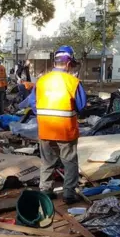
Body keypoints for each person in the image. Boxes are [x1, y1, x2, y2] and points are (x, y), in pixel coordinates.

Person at [28, 45, 86, 204]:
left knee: (47, 161)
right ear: (68, 63)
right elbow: (81, 106)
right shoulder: (73, 82)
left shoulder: (41, 80)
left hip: (45, 129)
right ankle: (68, 194)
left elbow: (33, 103)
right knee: (70, 162)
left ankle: (46, 190)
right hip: (65, 130)